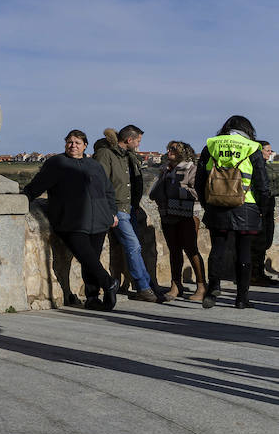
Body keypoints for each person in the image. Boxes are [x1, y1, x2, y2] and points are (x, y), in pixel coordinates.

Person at [23, 130, 119, 310]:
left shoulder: (94, 165)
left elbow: (108, 191)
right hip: (70, 220)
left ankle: (92, 298)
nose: (73, 145)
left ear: (85, 146)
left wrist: (112, 212)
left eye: (77, 142)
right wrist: (22, 198)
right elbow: (38, 185)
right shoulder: (57, 163)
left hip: (99, 219)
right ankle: (109, 283)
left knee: (92, 259)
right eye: (69, 142)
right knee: (86, 256)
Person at [196, 116, 271, 309]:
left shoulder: (211, 145)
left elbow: (200, 180)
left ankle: (212, 290)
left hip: (216, 205)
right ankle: (241, 298)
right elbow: (262, 184)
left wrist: (207, 204)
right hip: (246, 206)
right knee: (244, 251)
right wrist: (262, 210)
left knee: (217, 249)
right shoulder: (252, 147)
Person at [93, 125, 168, 302]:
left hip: (130, 209)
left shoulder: (127, 155)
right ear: (129, 140)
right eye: (138, 141)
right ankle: (144, 287)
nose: (139, 145)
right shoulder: (106, 154)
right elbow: (100, 183)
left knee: (135, 247)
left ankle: (149, 286)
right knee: (133, 246)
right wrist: (110, 211)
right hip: (117, 209)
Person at [149, 141, 205, 301]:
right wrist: (163, 178)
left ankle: (201, 285)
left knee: (191, 249)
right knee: (174, 250)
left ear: (184, 151)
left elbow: (197, 192)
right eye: (168, 148)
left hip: (187, 215)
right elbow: (153, 194)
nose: (169, 150)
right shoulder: (165, 171)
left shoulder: (191, 169)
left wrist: (177, 189)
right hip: (167, 214)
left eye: (174, 148)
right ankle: (176, 285)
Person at [249, 140, 274, 286]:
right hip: (259, 209)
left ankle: (259, 273)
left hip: (267, 209)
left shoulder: (267, 167)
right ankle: (254, 275)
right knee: (257, 244)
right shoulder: (256, 168)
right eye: (268, 150)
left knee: (264, 242)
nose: (270, 153)